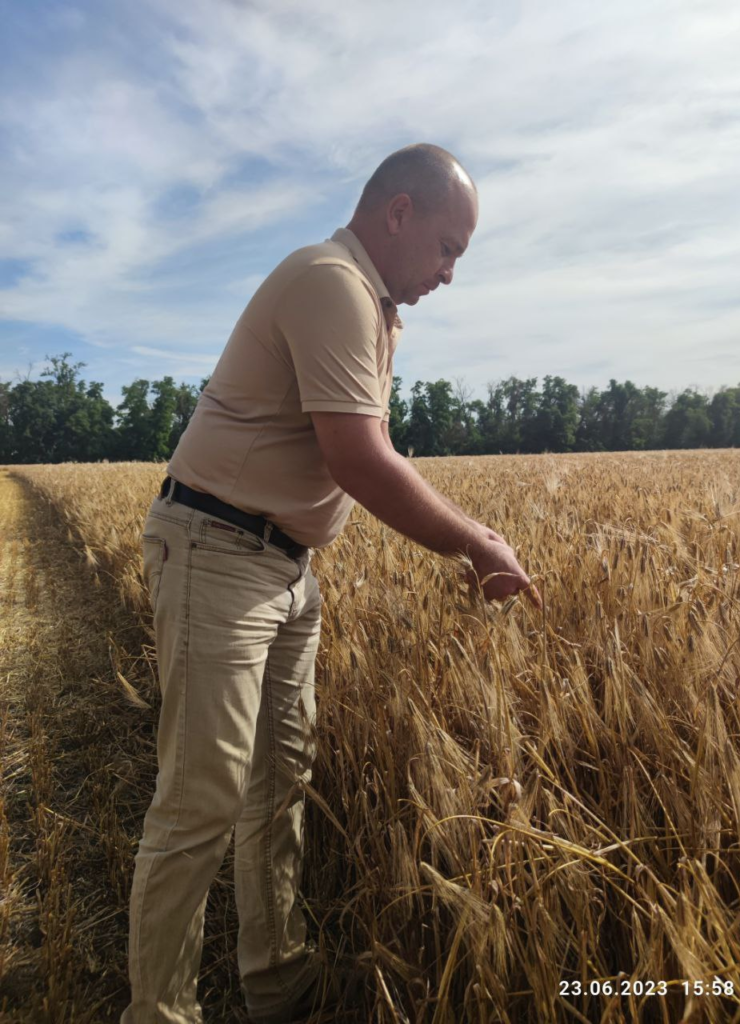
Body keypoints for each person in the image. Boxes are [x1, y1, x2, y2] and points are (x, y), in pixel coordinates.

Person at [121, 142, 540, 1024]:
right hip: (217, 553)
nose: (450, 272)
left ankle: (277, 986)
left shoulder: (373, 305)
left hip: (281, 567)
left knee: (278, 786)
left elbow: (356, 446)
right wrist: (476, 543)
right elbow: (358, 455)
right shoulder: (330, 284)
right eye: (448, 247)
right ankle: (159, 1013)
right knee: (202, 799)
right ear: (398, 213)